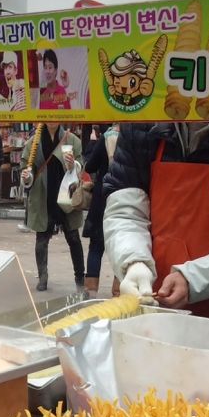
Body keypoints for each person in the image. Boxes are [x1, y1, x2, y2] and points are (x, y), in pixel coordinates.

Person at [103, 121, 209, 317]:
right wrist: (133, 261)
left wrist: (194, 279)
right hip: (155, 309)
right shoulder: (142, 123)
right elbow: (125, 209)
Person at [20, 123, 85, 293]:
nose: (52, 119)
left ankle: (80, 278)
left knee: (73, 238)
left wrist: (73, 165)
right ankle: (43, 276)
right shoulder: (33, 142)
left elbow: (81, 166)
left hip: (66, 194)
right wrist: (27, 175)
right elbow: (27, 168)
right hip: (43, 194)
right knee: (41, 239)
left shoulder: (71, 139)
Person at [82, 123, 119, 296]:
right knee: (122, 246)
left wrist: (91, 144)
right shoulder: (132, 136)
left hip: (103, 196)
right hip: (125, 197)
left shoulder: (106, 137)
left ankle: (91, 291)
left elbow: (89, 166)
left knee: (96, 245)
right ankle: (119, 290)